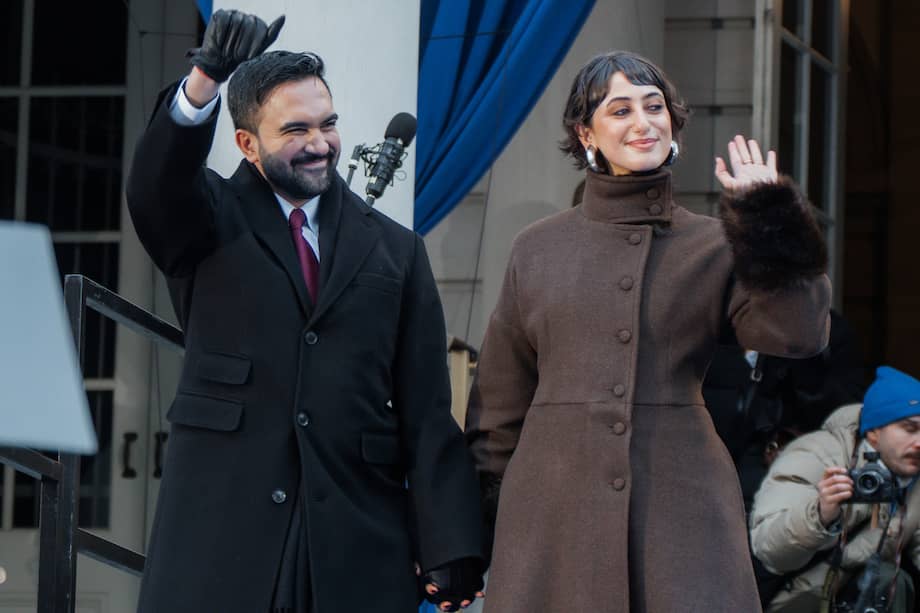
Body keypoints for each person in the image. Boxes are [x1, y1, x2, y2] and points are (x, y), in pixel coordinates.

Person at [126, 10, 483, 613]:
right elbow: (155, 184)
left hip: (355, 539)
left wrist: (451, 545)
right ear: (247, 143)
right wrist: (202, 86)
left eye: (329, 124)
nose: (320, 144)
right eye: (296, 130)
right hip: (223, 534)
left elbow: (426, 409)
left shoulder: (395, 249)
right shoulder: (205, 217)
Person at [464, 50, 831, 612]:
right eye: (620, 110)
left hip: (681, 511)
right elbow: (498, 409)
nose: (643, 122)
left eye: (654, 106)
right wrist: (471, 536)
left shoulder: (715, 243)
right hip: (552, 514)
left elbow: (800, 333)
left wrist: (769, 219)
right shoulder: (537, 247)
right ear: (586, 133)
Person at [750, 366, 920, 612]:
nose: (919, 443)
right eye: (910, 429)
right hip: (794, 598)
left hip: (857, 595)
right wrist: (820, 514)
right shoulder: (817, 455)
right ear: (873, 432)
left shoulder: (914, 476)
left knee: (893, 580)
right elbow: (771, 551)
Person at [704, 308, 866, 513]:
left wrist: (803, 354)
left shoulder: (826, 331)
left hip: (783, 459)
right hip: (713, 456)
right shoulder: (718, 322)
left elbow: (843, 412)